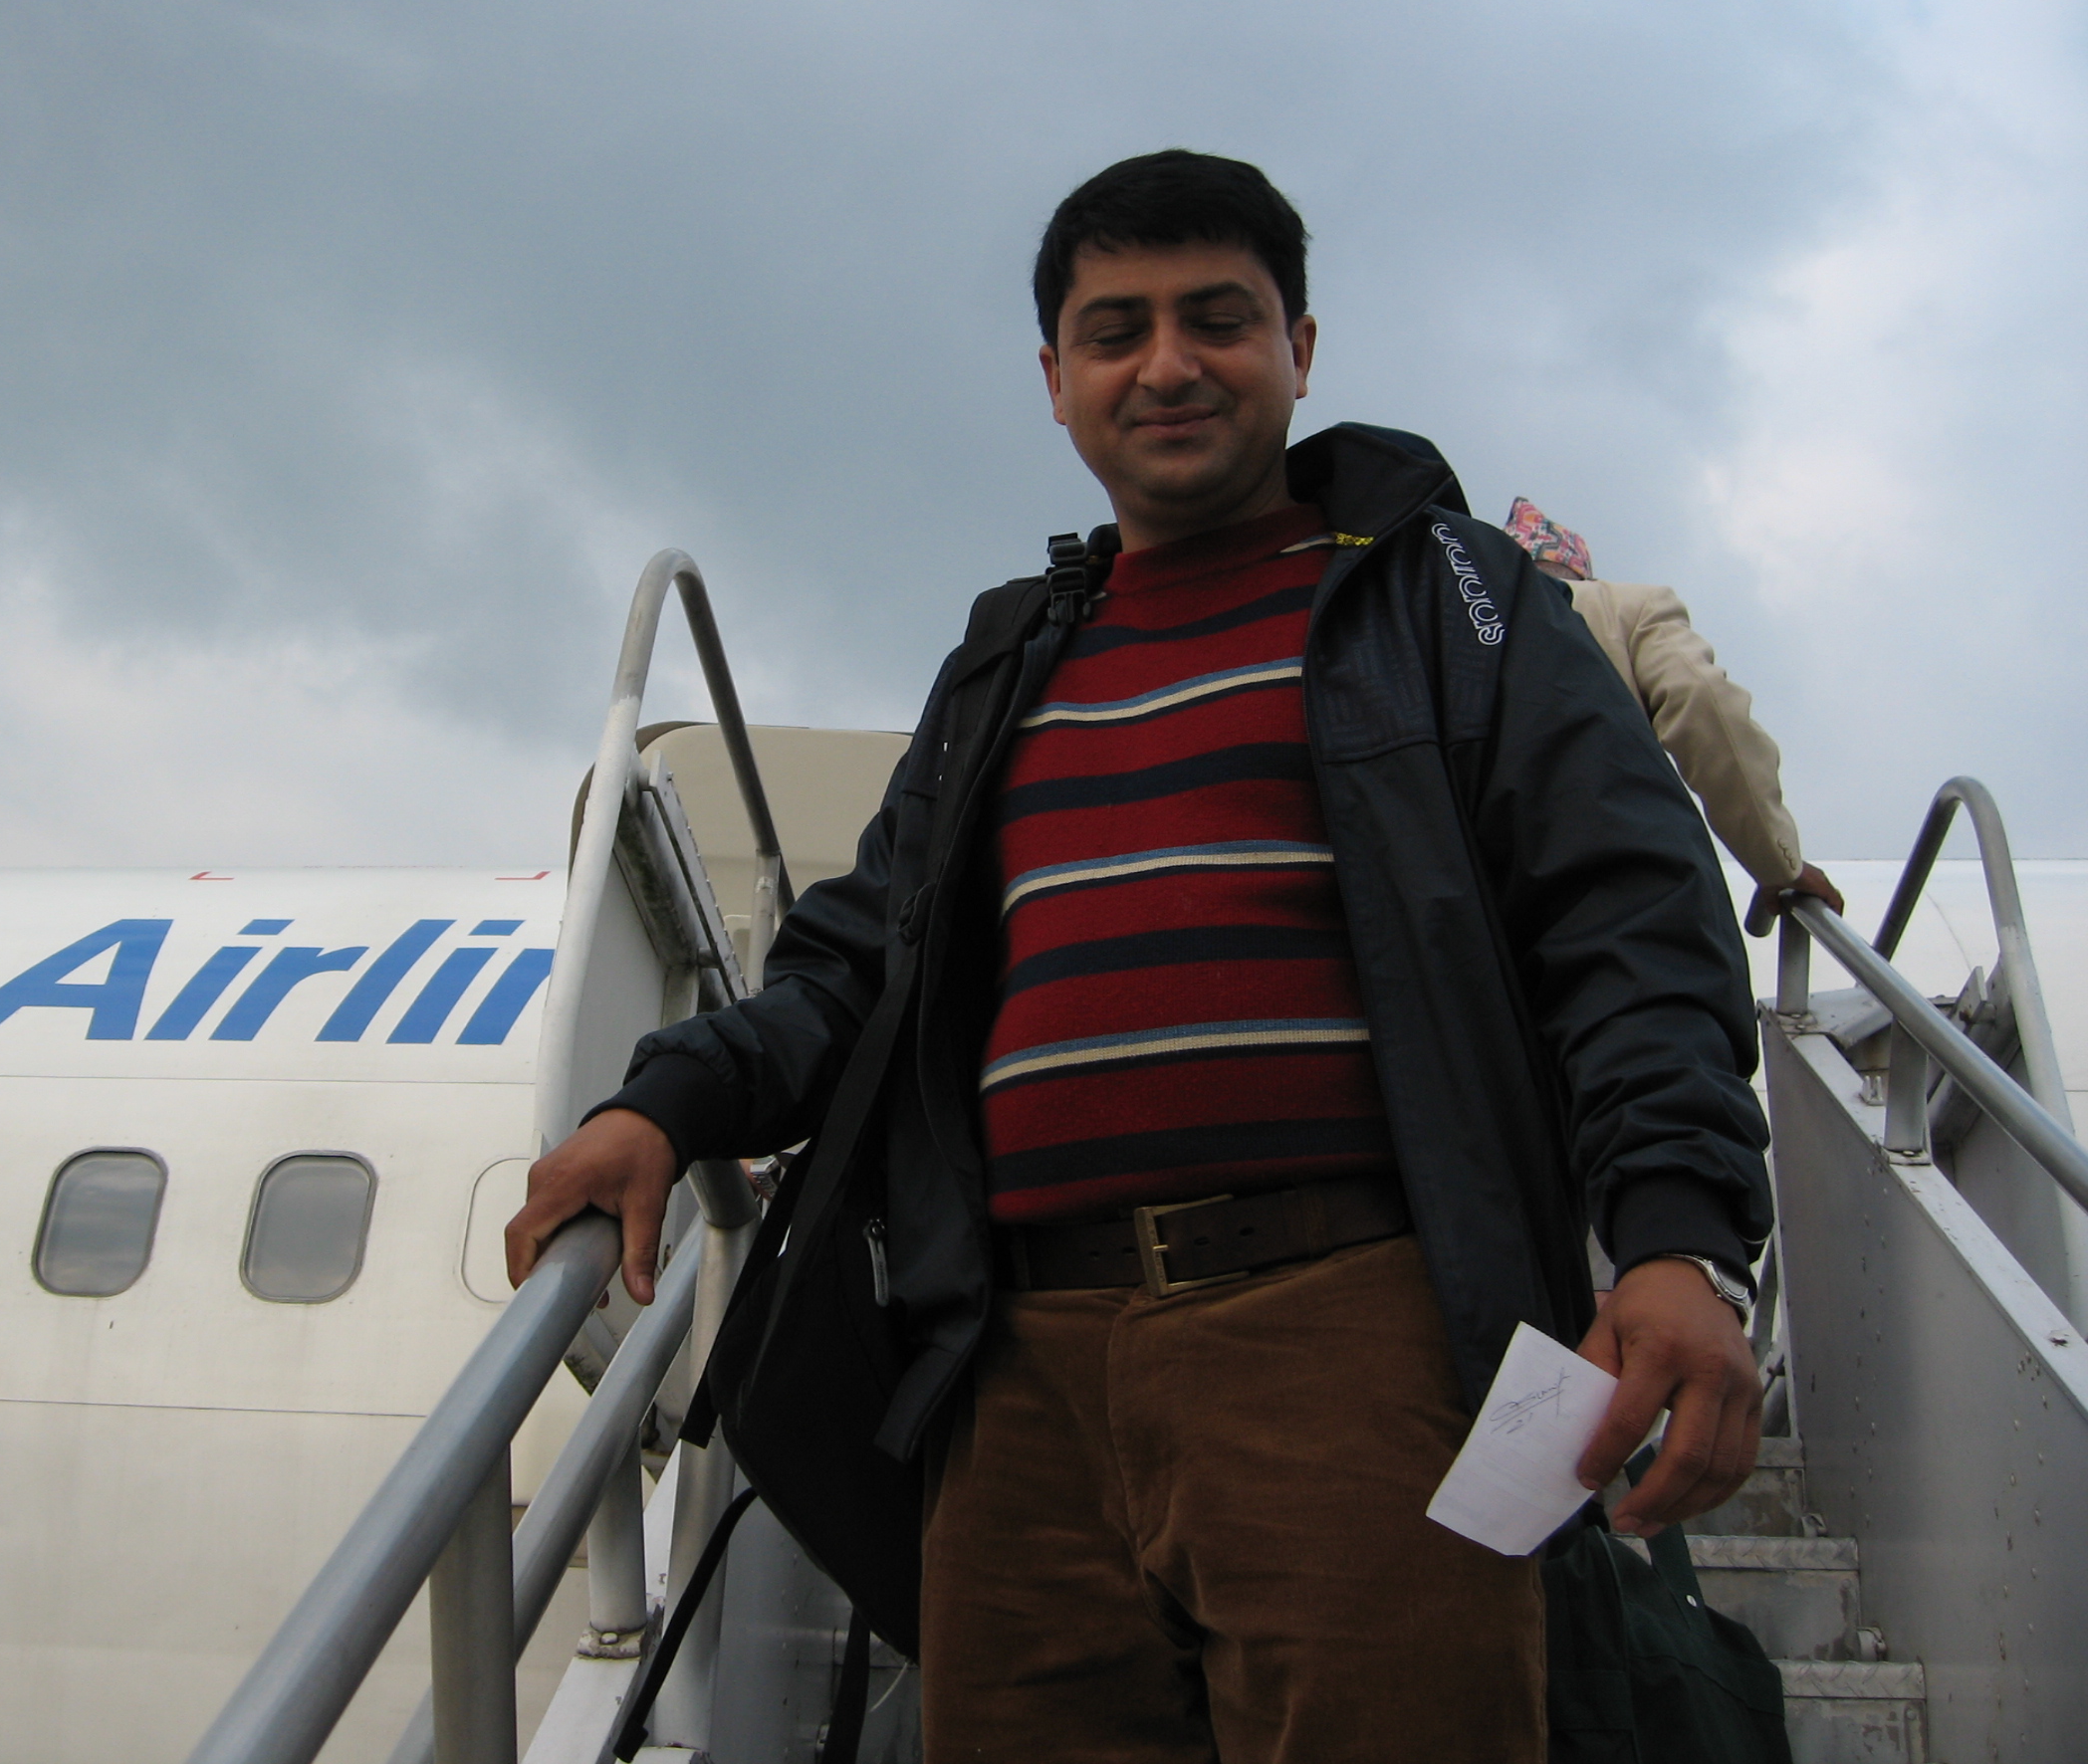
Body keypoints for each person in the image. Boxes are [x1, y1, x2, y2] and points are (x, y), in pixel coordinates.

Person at [508, 151, 1772, 1761]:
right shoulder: (1009, 661)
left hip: (1349, 1324)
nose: (1167, 364)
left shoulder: (1452, 607)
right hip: (1018, 1361)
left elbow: (1627, 921)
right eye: (1116, 331)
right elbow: (859, 959)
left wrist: (1677, 1237)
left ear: (1298, 348)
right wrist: (664, 1101)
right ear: (1055, 381)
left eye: (1216, 319)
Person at [1502, 496, 1845, 929]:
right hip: (1610, 880)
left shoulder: (1449, 623)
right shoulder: (1626, 608)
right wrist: (1776, 862)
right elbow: (1703, 702)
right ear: (1580, 571)